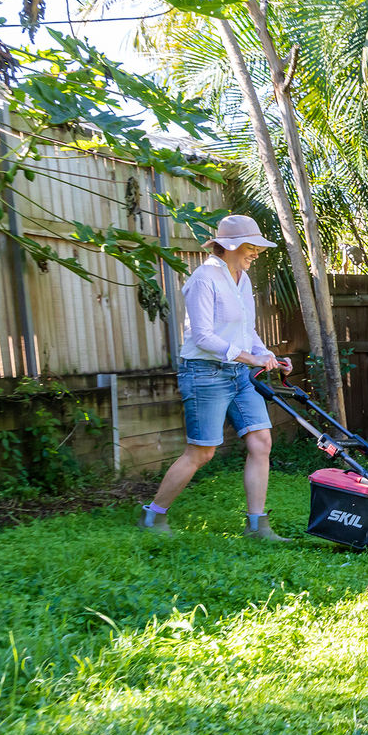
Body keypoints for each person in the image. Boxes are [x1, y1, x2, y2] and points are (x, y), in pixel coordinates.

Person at [137, 214, 293, 541]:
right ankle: (153, 517)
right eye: (252, 247)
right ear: (231, 246)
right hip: (205, 373)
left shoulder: (243, 279)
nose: (257, 253)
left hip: (239, 373)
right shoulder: (203, 279)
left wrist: (267, 356)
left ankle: (257, 526)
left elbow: (246, 329)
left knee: (261, 441)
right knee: (202, 452)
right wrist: (250, 357)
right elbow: (203, 336)